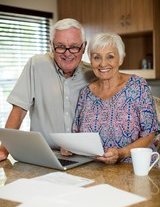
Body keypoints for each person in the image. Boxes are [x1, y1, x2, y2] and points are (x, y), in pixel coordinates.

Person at [0, 18, 95, 161]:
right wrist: (4, 149)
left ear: (84, 47)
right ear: (51, 45)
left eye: (74, 46)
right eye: (60, 46)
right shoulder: (36, 65)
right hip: (44, 156)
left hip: (83, 156)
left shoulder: (93, 74)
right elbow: (19, 111)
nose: (67, 53)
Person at [63, 32, 159, 164]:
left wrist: (121, 153)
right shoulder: (85, 94)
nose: (103, 64)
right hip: (95, 170)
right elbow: (78, 136)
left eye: (110, 57)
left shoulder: (138, 86)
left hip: (134, 167)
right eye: (97, 57)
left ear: (120, 59)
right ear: (91, 61)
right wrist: (70, 147)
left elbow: (150, 134)